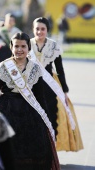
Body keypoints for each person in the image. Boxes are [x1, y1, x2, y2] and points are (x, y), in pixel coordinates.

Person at [0, 32, 60, 170]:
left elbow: (40, 97)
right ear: (11, 47)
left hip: (30, 113)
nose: (19, 49)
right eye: (16, 46)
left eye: (23, 46)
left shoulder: (35, 68)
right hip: (6, 111)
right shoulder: (2, 68)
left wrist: (47, 121)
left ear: (28, 47)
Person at [29, 17, 83, 152]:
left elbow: (60, 69)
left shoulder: (53, 46)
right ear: (33, 29)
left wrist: (64, 90)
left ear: (47, 30)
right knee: (32, 117)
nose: (40, 32)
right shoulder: (27, 44)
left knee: (51, 116)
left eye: (43, 29)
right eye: (37, 29)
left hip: (49, 87)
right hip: (31, 85)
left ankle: (50, 150)